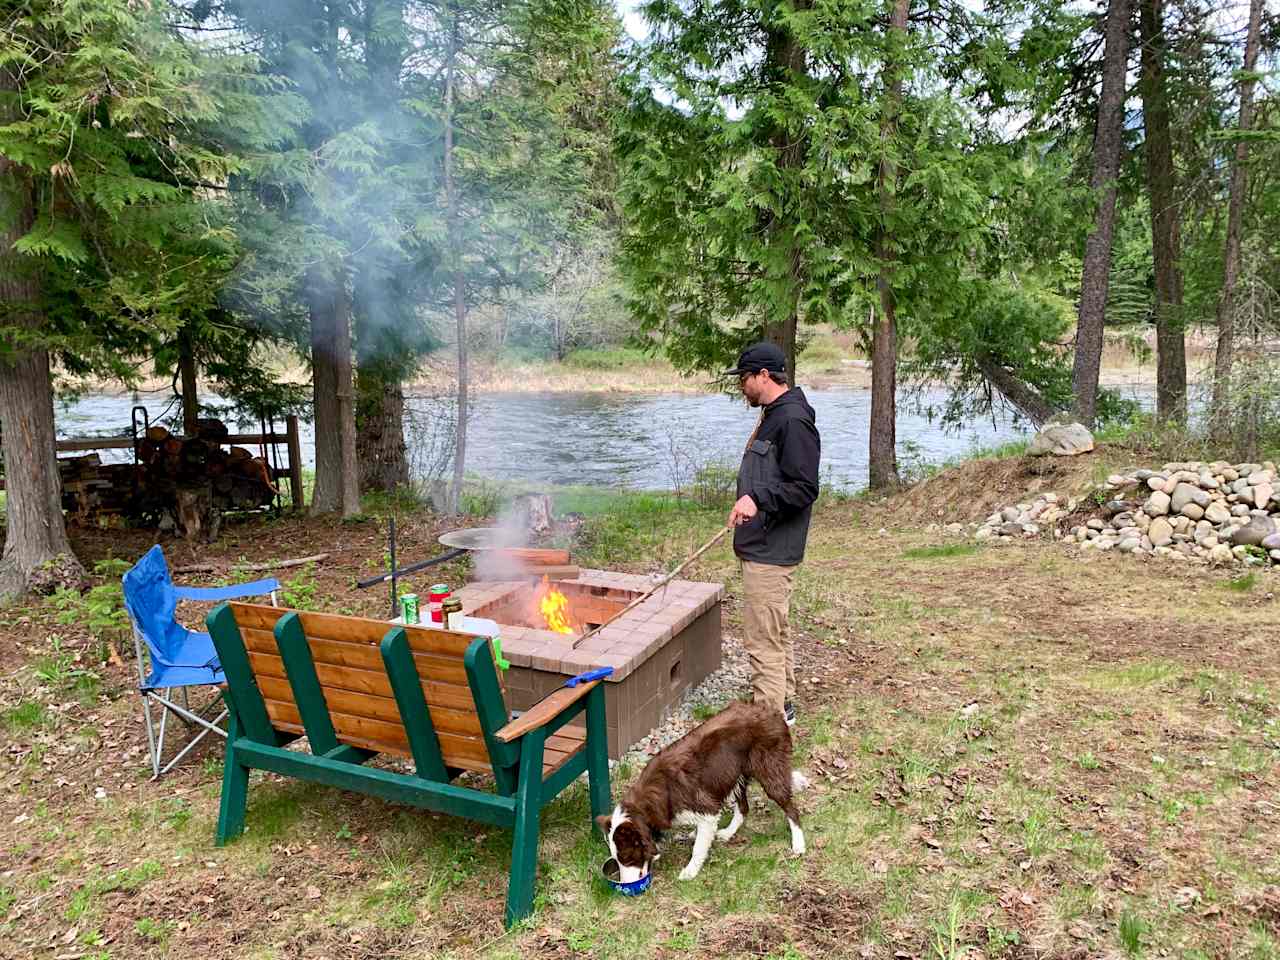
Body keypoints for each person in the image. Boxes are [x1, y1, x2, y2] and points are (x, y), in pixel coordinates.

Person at [722, 342, 820, 727]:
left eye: (744, 378)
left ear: (764, 376)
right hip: (762, 542)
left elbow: (803, 488)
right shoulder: (773, 413)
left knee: (762, 637)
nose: (741, 386)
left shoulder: (792, 420)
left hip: (772, 549)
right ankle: (785, 703)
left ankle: (767, 727)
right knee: (775, 628)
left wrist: (757, 498)